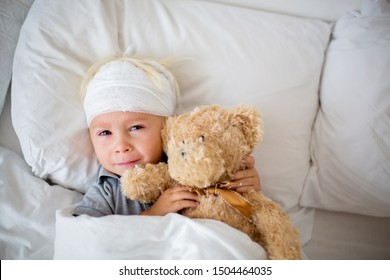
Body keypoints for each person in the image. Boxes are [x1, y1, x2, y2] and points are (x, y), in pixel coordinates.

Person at [71, 55, 261, 217]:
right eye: (105, 132)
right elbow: (87, 241)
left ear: (167, 127)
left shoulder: (198, 163)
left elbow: (242, 216)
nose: (121, 145)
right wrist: (153, 214)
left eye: (136, 127)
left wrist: (248, 188)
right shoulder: (106, 193)